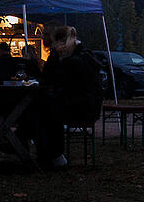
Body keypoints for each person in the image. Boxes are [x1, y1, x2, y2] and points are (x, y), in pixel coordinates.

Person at [36, 25, 102, 168]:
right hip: (90, 106)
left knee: (44, 110)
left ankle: (52, 155)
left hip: (77, 107)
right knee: (46, 109)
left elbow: (50, 80)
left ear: (58, 42)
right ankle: (52, 155)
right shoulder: (86, 56)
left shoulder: (68, 60)